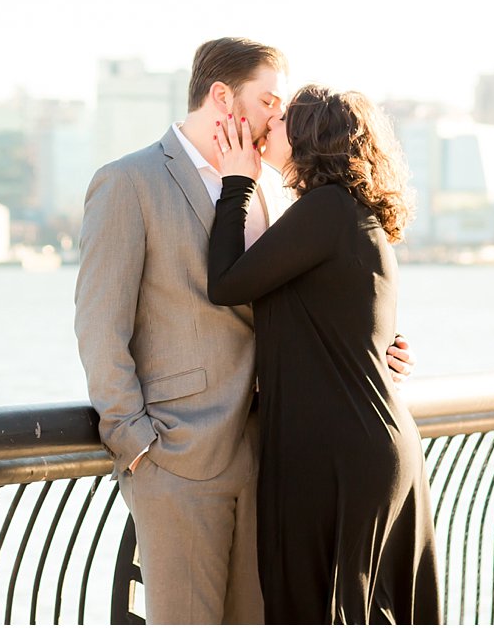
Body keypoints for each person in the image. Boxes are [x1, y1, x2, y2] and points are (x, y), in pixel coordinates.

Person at [74, 38, 414, 625]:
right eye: (267, 102)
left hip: (267, 463)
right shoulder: (128, 182)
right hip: (178, 463)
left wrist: (376, 348)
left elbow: (304, 303)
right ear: (222, 97)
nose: (274, 120)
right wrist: (137, 445)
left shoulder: (267, 195)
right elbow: (99, 324)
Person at [207, 87, 441, 625]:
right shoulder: (346, 215)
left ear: (313, 135)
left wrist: (237, 182)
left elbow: (225, 283)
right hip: (359, 445)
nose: (271, 121)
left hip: (337, 453)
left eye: (285, 116)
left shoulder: (327, 209)